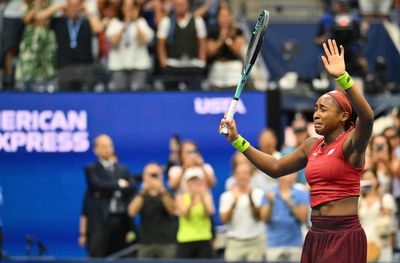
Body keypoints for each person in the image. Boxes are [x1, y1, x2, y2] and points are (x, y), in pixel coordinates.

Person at [220, 39, 374, 263]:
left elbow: (367, 117)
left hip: (343, 235)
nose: (316, 114)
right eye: (315, 109)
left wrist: (343, 78)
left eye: (323, 109)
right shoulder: (311, 145)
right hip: (315, 234)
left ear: (343, 116)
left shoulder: (351, 144)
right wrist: (237, 140)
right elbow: (275, 168)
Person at [84, 134, 137, 257]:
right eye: (103, 146)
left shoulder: (122, 169)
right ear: (95, 150)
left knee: (120, 255)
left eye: (109, 146)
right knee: (98, 255)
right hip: (101, 221)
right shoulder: (91, 169)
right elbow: (97, 185)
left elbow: (132, 187)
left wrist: (107, 190)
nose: (107, 149)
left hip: (121, 220)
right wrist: (119, 184)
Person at [128, 162, 177, 259]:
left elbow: (173, 211)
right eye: (150, 175)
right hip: (145, 242)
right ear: (144, 176)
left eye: (155, 175)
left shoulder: (168, 193)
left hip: (167, 242)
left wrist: (162, 192)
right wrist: (143, 191)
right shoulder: (140, 195)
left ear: (161, 176)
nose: (153, 178)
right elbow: (131, 212)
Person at [219, 161, 266, 261]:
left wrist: (250, 198)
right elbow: (224, 220)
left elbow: (259, 217)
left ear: (250, 176)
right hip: (234, 242)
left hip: (255, 241)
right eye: (240, 173)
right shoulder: (226, 196)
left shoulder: (259, 194)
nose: (243, 177)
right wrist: (234, 202)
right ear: (234, 176)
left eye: (245, 173)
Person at [106, 0, 154, 91]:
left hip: (139, 65)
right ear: (121, 8)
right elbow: (114, 42)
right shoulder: (115, 22)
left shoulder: (141, 22)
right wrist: (125, 24)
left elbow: (144, 40)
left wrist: (135, 21)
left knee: (138, 95)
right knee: (119, 95)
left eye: (131, 6)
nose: (129, 9)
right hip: (119, 65)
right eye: (126, 6)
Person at [261, 172, 309, 262]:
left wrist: (289, 201)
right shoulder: (269, 193)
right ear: (280, 176)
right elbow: (264, 219)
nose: (293, 176)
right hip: (273, 244)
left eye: (294, 174)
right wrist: (271, 203)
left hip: (295, 244)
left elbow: (303, 218)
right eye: (290, 174)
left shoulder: (301, 193)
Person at [359, 169, 397, 262]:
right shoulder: (359, 200)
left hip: (382, 241)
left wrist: (380, 197)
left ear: (377, 180)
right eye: (365, 179)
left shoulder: (386, 198)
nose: (368, 181)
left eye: (370, 178)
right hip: (365, 243)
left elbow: (389, 218)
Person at [175, 170, 214, 259]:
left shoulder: (206, 196)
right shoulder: (180, 197)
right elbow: (185, 214)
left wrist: (202, 198)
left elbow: (208, 213)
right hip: (185, 239)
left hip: (204, 238)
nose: (194, 184)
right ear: (187, 183)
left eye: (196, 181)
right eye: (191, 181)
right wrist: (192, 201)